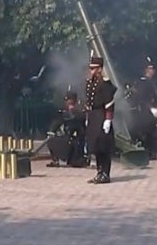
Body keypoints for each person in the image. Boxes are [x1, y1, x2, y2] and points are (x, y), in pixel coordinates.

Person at [84, 54, 117, 184]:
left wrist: (108, 119)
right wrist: (87, 116)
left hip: (102, 115)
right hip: (93, 116)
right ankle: (99, 172)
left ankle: (105, 173)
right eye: (90, 68)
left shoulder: (105, 83)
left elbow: (109, 103)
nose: (91, 71)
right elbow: (88, 102)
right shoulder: (89, 83)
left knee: (104, 146)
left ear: (99, 69)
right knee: (96, 147)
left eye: (94, 68)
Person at [46, 90, 87, 168]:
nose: (68, 102)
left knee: (75, 146)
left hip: (77, 137)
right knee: (52, 141)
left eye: (70, 100)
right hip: (66, 135)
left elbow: (78, 120)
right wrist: (51, 131)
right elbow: (58, 121)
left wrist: (72, 111)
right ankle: (55, 160)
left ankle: (78, 159)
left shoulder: (80, 110)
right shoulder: (63, 110)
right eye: (67, 100)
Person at [130, 57, 157, 160]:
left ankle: (151, 152)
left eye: (153, 68)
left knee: (152, 132)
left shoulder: (152, 82)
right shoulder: (143, 82)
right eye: (150, 68)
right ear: (146, 70)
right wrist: (151, 108)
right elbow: (142, 98)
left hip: (151, 111)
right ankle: (147, 152)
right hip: (144, 111)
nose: (152, 71)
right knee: (147, 132)